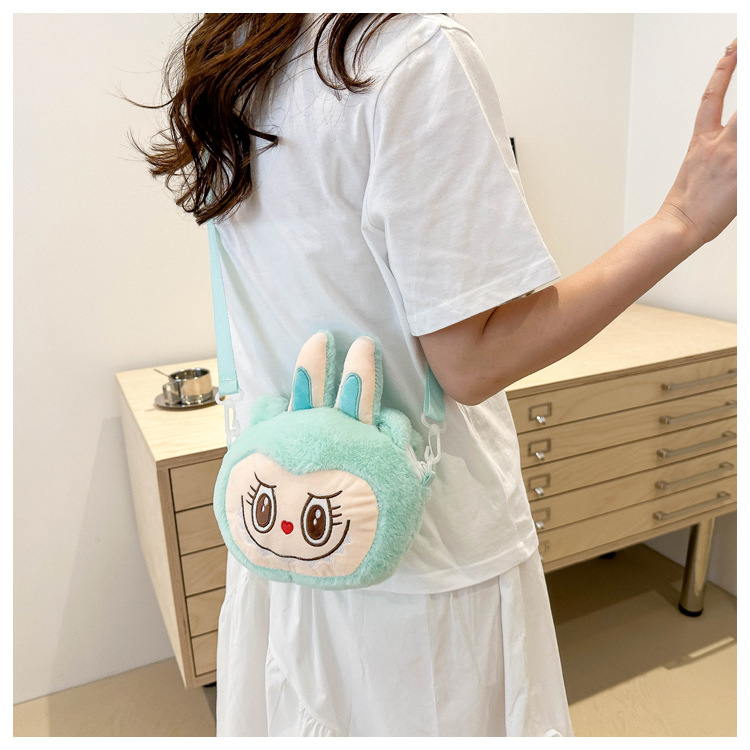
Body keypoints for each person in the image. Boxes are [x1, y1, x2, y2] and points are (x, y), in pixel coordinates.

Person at [138, 13, 737, 737]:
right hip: (422, 560)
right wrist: (680, 220)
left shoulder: (232, 50)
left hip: (282, 535)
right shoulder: (410, 54)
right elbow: (473, 361)